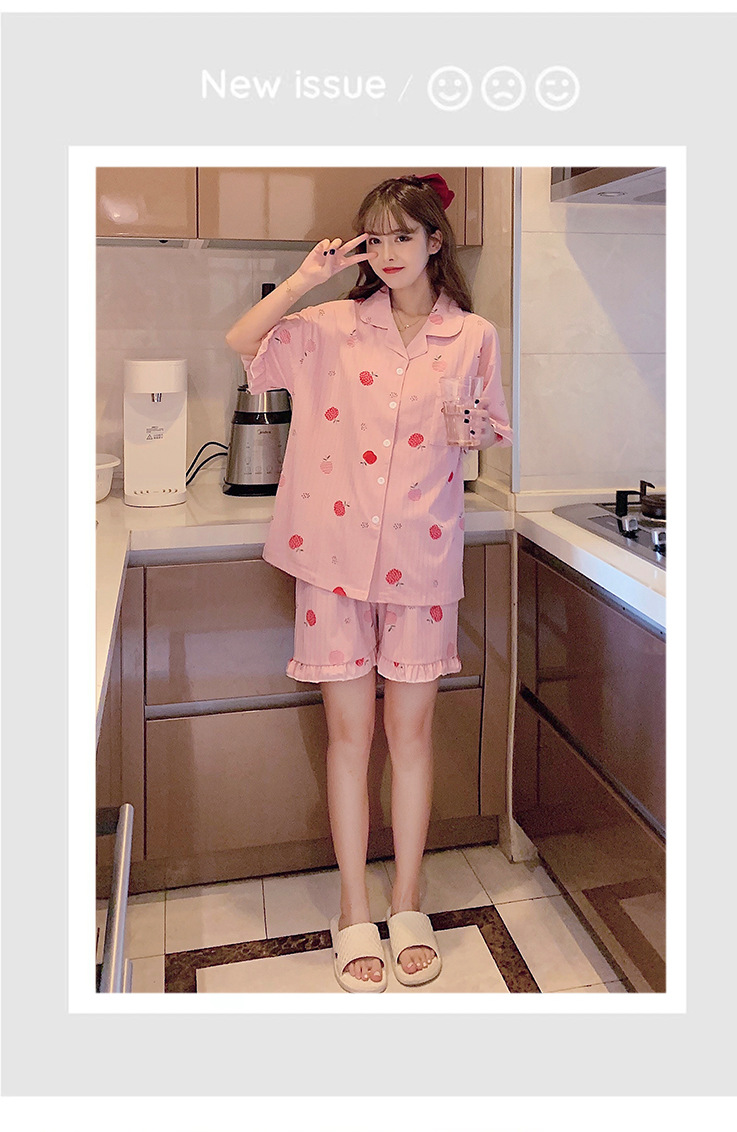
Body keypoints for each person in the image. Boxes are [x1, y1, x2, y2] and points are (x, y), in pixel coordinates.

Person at [226, 173, 512, 992]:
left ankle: (407, 900)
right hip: (333, 562)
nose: (387, 252)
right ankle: (355, 908)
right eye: (375, 238)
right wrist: (305, 277)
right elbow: (241, 341)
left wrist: (472, 429)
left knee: (411, 739)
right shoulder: (330, 327)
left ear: (434, 242)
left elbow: (490, 427)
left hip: (422, 561)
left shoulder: (473, 336)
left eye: (402, 236)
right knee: (350, 740)